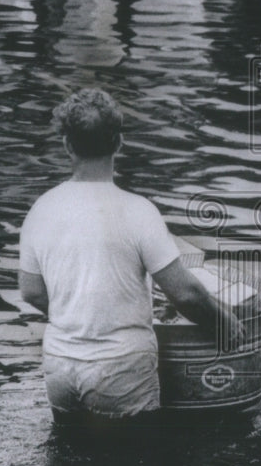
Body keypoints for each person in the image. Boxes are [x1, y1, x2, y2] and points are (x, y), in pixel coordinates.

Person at [19, 88, 244, 427]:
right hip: (120, 369)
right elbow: (186, 295)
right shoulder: (139, 212)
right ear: (119, 143)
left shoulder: (41, 210)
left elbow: (31, 292)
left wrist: (78, 314)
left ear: (66, 145)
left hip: (60, 366)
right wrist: (225, 322)